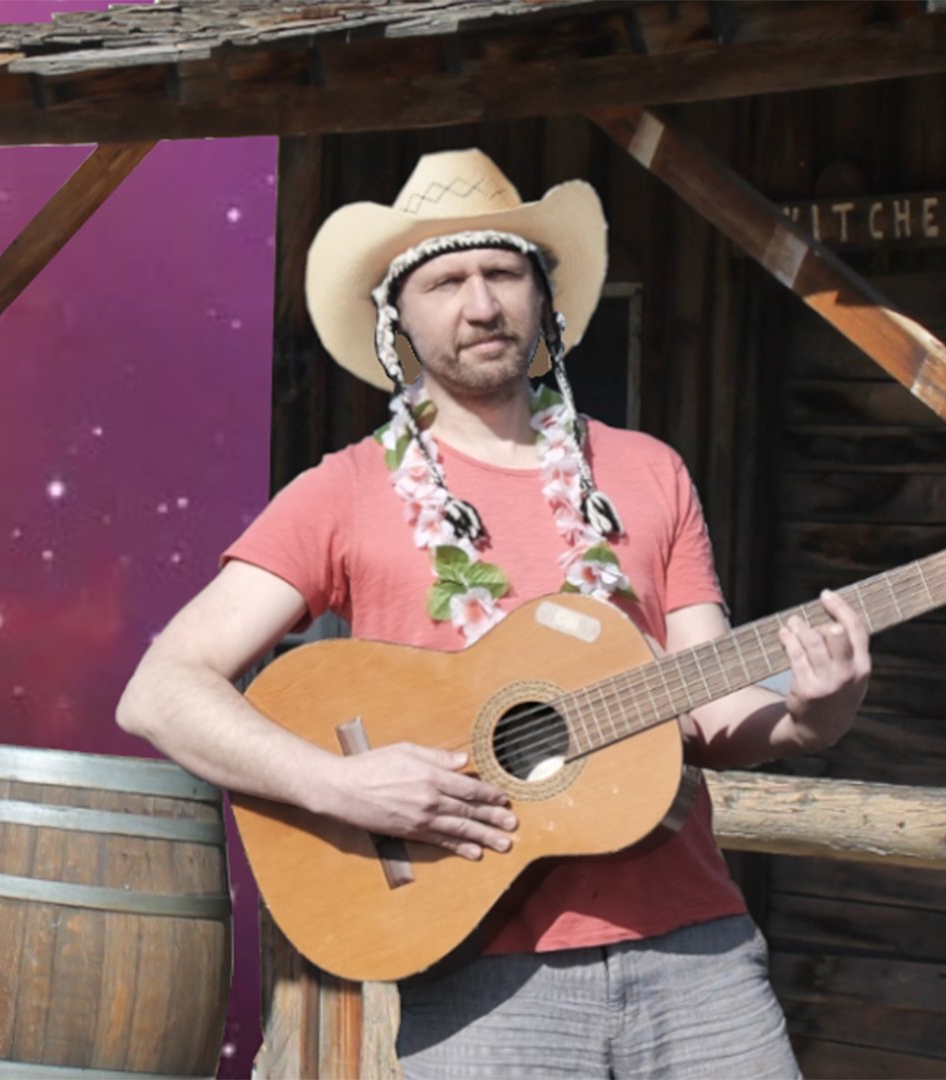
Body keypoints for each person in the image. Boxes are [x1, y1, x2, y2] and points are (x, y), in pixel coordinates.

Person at [116, 148, 872, 1078]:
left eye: (504, 273)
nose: (481, 304)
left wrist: (807, 715)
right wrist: (338, 785)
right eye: (445, 281)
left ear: (543, 298)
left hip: (697, 949)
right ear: (397, 317)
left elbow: (705, 705)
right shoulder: (344, 491)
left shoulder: (648, 470)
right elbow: (162, 691)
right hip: (480, 968)